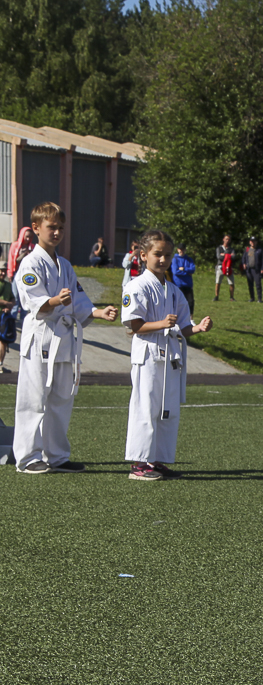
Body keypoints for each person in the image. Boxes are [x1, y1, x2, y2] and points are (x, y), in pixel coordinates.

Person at [12, 202, 118, 473]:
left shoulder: (66, 266)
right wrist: (54, 300)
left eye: (61, 227)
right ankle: (28, 458)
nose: (57, 232)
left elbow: (79, 302)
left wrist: (98, 311)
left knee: (60, 399)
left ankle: (56, 456)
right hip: (40, 339)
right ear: (36, 228)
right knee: (33, 400)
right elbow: (33, 303)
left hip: (64, 341)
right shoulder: (30, 263)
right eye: (51, 227)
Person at [122, 229, 213, 481]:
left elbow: (184, 327)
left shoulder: (173, 290)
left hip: (171, 356)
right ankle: (139, 462)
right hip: (148, 354)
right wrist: (162, 323)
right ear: (143, 255)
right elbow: (133, 325)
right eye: (157, 254)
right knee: (145, 406)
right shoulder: (136, 286)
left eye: (167, 255)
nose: (163, 259)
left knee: (167, 408)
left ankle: (157, 459)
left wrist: (198, 328)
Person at [170, 245, 197, 315]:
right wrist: (187, 273)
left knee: (190, 302)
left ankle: (191, 318)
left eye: (183, 249)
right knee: (178, 303)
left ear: (185, 250)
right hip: (178, 284)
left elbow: (193, 269)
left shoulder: (189, 259)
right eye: (180, 249)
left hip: (188, 284)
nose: (181, 251)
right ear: (178, 250)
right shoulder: (175, 259)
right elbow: (175, 272)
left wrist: (184, 269)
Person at [0, 268, 17, 372]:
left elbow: (13, 298)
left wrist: (10, 305)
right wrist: (6, 303)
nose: (2, 273)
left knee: (3, 341)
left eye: (4, 271)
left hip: (4, 317)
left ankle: (0, 363)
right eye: (0, 271)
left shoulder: (8, 285)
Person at [242, 236, 263, 303]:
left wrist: (262, 268)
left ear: (256, 242)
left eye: (254, 241)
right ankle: (252, 298)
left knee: (258, 284)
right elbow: (244, 257)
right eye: (251, 241)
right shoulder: (247, 249)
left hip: (256, 270)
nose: (253, 242)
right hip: (249, 269)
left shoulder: (259, 250)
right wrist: (244, 263)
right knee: (250, 284)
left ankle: (259, 298)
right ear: (250, 242)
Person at [214, 235, 236, 301]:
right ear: (223, 239)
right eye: (226, 239)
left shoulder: (231, 249)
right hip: (220, 266)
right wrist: (228, 256)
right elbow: (219, 257)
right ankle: (216, 296)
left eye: (228, 239)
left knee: (231, 282)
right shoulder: (219, 248)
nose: (227, 240)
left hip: (229, 267)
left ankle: (231, 297)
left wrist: (224, 255)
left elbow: (234, 257)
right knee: (218, 282)